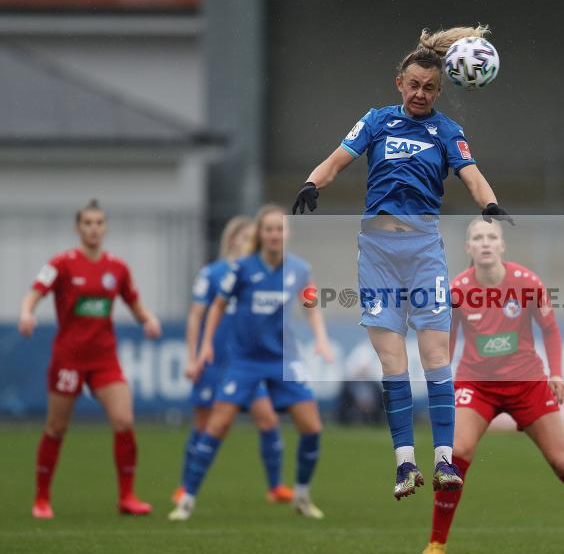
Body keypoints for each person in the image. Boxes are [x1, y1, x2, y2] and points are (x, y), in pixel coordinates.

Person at [293, 25, 514, 500]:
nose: (420, 93)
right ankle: (404, 465)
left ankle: (444, 462)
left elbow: (473, 176)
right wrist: (314, 182)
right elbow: (337, 159)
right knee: (392, 364)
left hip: (423, 253)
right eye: (413, 85)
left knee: (435, 359)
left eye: (430, 88)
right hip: (377, 254)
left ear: (441, 90)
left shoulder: (447, 131)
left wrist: (490, 206)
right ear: (400, 83)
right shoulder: (376, 122)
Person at [414, 219, 564, 554]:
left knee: (563, 461)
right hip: (477, 384)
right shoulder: (457, 289)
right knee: (455, 451)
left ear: (502, 246)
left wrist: (557, 374)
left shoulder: (527, 283)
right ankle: (436, 547)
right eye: (478, 237)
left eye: (492, 237)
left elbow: (550, 330)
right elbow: (448, 340)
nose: (485, 243)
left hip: (528, 383)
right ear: (468, 248)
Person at [169, 204, 334, 521]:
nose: (274, 234)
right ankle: (186, 499)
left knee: (312, 427)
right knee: (217, 425)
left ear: (288, 233)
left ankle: (301, 495)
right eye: (269, 229)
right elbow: (216, 307)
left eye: (280, 229)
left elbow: (311, 306)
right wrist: (204, 348)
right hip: (245, 361)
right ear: (260, 234)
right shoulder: (241, 268)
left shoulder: (300, 269)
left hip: (284, 359)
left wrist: (322, 339)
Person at [19, 199, 161, 519]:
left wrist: (148, 320)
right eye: (87, 223)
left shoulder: (118, 268)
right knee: (56, 427)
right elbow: (35, 291)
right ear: (77, 228)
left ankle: (127, 497)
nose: (94, 228)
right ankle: (42, 498)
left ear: (105, 228)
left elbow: (133, 302)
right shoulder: (62, 264)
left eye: (99, 223)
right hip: (68, 358)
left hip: (104, 359)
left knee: (124, 421)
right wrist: (27, 313)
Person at [174, 215, 293, 505]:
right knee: (205, 425)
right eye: (248, 236)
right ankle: (185, 487)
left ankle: (275, 486)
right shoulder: (212, 273)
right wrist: (193, 357)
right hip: (214, 362)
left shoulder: (261, 273)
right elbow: (196, 315)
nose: (255, 241)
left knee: (267, 419)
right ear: (232, 240)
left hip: (248, 363)